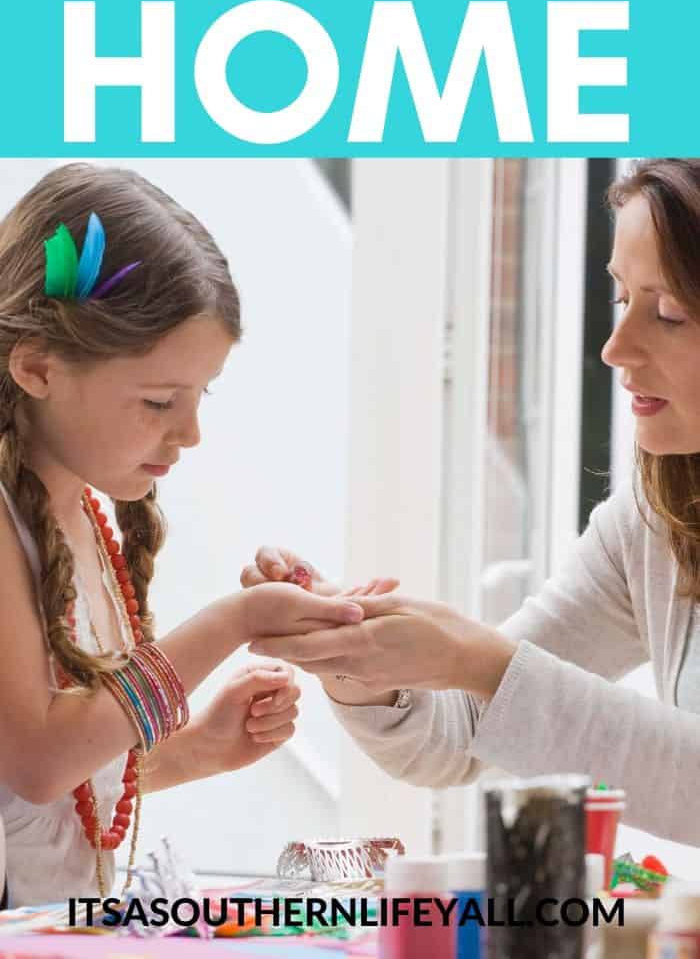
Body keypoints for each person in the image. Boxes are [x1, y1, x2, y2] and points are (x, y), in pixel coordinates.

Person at [242, 158, 700, 848]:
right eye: (619, 297)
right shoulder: (649, 523)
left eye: (667, 313)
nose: (615, 347)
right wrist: (359, 660)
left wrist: (480, 660)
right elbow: (458, 739)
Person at [0, 162, 367, 905]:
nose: (191, 433)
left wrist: (197, 749)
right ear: (38, 367)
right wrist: (233, 624)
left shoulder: (84, 519)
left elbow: (59, 799)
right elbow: (37, 762)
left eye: (200, 396)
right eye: (160, 400)